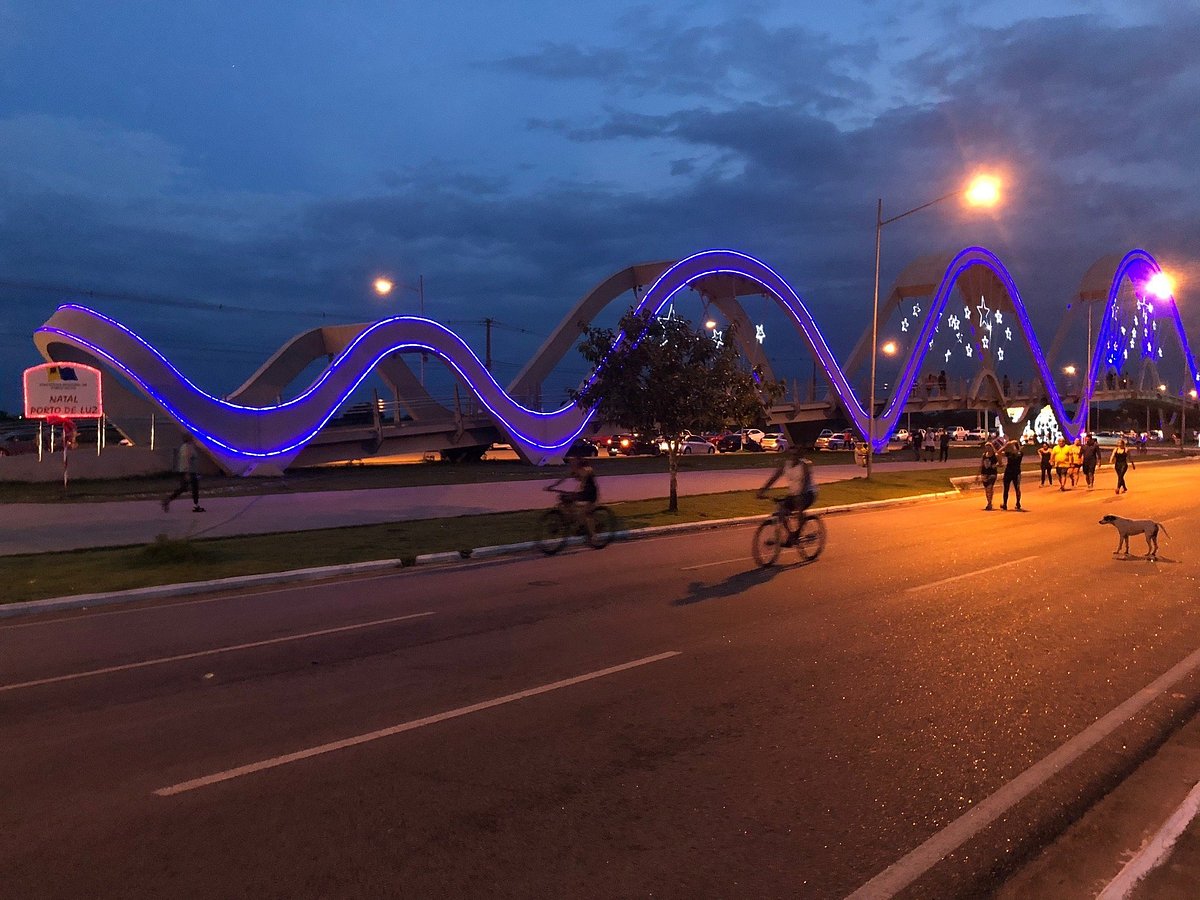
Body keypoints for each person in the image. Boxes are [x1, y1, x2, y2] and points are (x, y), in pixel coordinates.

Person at [758, 446, 817, 545]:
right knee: (781, 511)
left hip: (808, 493)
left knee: (799, 508)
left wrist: (800, 495)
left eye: (795, 455)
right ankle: (791, 535)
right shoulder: (786, 465)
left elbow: (806, 482)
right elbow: (774, 478)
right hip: (794, 494)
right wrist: (762, 491)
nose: (793, 457)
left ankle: (797, 533)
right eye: (791, 454)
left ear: (799, 455)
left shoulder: (805, 465)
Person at [551, 455, 599, 540]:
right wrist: (551, 487)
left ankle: (593, 535)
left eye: (572, 462)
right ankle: (576, 522)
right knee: (564, 499)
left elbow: (585, 478)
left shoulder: (587, 470)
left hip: (590, 494)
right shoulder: (575, 470)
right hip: (582, 492)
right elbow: (562, 479)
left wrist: (577, 489)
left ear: (578, 462)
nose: (571, 464)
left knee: (586, 514)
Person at [162, 434, 205, 513]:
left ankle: (168, 500)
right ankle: (195, 505)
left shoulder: (187, 447)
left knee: (185, 488)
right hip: (189, 471)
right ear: (188, 439)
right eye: (191, 437)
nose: (193, 438)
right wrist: (187, 472)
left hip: (190, 471)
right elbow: (186, 460)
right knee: (193, 488)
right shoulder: (187, 448)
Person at [1000, 436, 1024, 511]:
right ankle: (1005, 504)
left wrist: (1014, 443)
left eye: (1013, 446)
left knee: (1017, 488)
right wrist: (1005, 445)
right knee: (1006, 489)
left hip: (1016, 473)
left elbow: (1018, 450)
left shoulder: (1020, 453)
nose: (1011, 447)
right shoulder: (1009, 453)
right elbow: (999, 452)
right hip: (1008, 472)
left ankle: (1018, 503)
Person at [979, 442, 999, 510]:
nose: (987, 449)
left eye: (989, 447)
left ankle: (989, 503)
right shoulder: (984, 455)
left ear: (991, 447)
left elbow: (1000, 463)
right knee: (986, 490)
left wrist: (995, 465)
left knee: (989, 488)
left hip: (992, 474)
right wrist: (977, 475)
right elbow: (981, 465)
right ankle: (989, 502)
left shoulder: (995, 455)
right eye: (986, 447)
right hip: (984, 473)